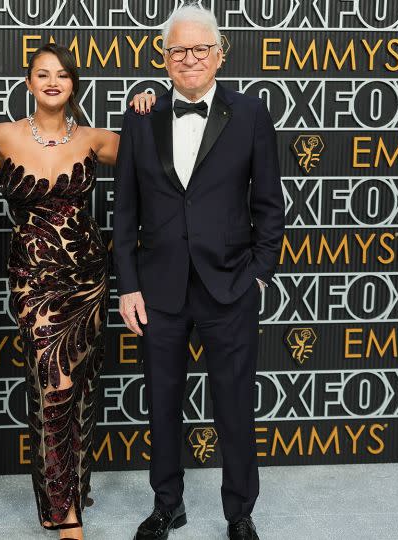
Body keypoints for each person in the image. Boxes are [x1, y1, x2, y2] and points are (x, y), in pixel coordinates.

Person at [0, 44, 154, 540]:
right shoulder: (1, 137)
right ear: (29, 82)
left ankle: (73, 484)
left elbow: (162, 156)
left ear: (73, 83)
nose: (52, 81)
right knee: (51, 387)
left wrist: (150, 103)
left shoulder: (96, 139)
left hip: (88, 280)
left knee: (81, 389)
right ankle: (65, 516)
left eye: (62, 74)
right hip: (34, 282)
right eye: (43, 74)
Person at [112, 4, 284, 540]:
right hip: (159, 287)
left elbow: (269, 204)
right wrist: (129, 286)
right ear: (164, 58)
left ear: (220, 54)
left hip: (229, 284)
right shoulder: (140, 116)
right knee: (162, 403)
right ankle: (168, 505)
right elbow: (125, 212)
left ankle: (239, 512)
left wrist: (259, 272)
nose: (190, 59)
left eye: (200, 49)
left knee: (234, 405)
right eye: (178, 50)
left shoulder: (252, 113)